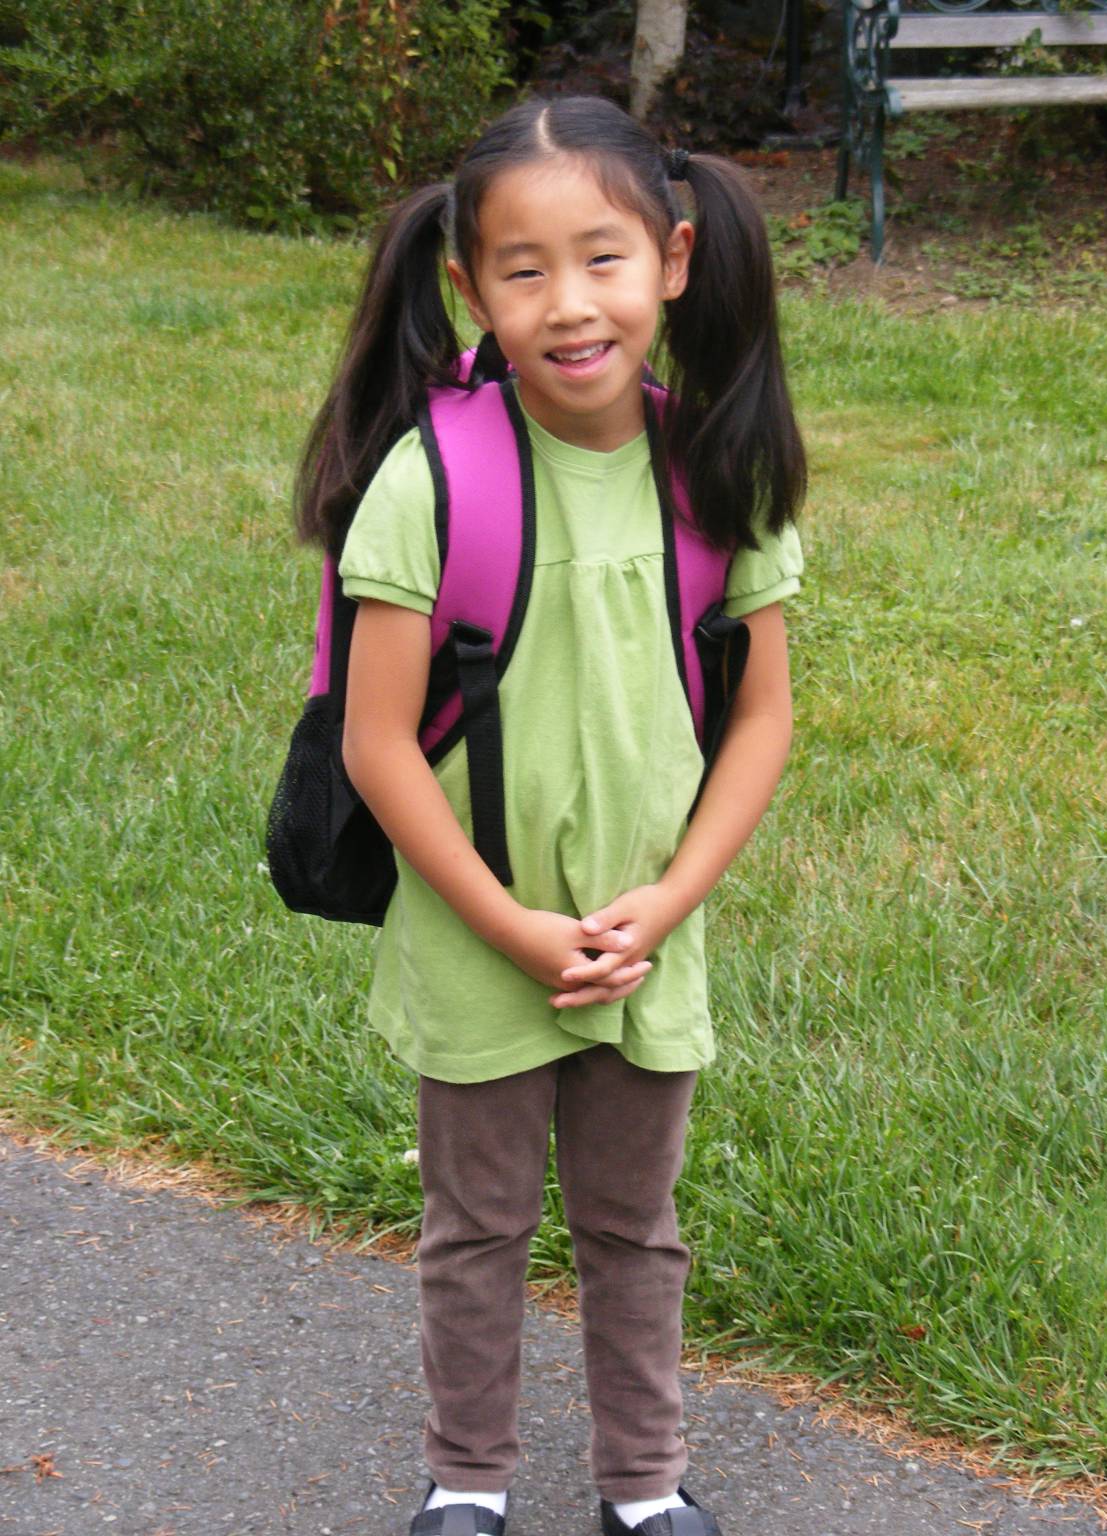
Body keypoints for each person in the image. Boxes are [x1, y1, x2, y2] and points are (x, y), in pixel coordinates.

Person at [292, 93, 807, 1536]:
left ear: (678, 258)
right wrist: (510, 925)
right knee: (478, 1232)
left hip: (647, 941)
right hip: (480, 936)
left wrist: (674, 897)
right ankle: (470, 1479)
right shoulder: (432, 477)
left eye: (604, 259)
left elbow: (761, 716)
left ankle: (644, 1487)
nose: (570, 304)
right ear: (469, 288)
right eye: (524, 269)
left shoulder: (721, 469)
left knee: (637, 1232)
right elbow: (381, 743)